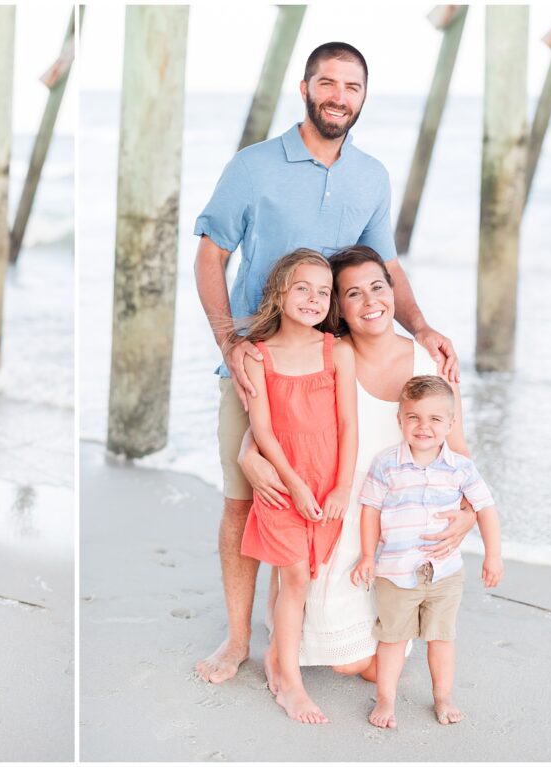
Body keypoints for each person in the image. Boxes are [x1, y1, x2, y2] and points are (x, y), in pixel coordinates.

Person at [193, 41, 458, 684]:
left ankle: (332, 627)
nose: (340, 96)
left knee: (351, 496)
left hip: (336, 368)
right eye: (329, 83)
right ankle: (236, 641)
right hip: (258, 367)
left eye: (353, 86)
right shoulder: (253, 167)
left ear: (363, 97)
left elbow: (384, 266)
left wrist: (419, 325)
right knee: (244, 500)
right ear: (306, 87)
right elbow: (210, 256)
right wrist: (230, 343)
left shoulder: (371, 175)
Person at [240, 245, 478, 692]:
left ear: (392, 291)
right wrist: (246, 453)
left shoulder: (430, 361)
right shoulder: (329, 353)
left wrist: (469, 512)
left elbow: (458, 449)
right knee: (349, 666)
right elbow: (287, 415)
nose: (370, 302)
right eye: (352, 294)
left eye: (378, 287)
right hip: (338, 520)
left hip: (401, 534)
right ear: (339, 308)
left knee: (372, 667)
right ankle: (283, 640)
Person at [232, 250, 357, 723]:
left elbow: (348, 423)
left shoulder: (336, 351)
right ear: (280, 290)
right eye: (303, 287)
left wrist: (341, 486)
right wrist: (294, 485)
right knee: (296, 577)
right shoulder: (259, 356)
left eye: (323, 292)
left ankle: (277, 659)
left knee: (309, 574)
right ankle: (292, 683)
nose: (314, 298)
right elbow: (262, 431)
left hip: (328, 480)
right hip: (283, 484)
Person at [351, 375, 502, 728]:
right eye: (414, 417)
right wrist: (368, 556)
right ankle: (386, 700)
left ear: (451, 423)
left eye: (435, 419)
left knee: (441, 637)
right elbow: (370, 510)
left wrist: (493, 555)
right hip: (395, 571)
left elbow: (486, 508)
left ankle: (443, 696)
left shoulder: (461, 468)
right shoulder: (386, 463)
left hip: (445, 573)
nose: (424, 426)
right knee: (392, 638)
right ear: (400, 419)